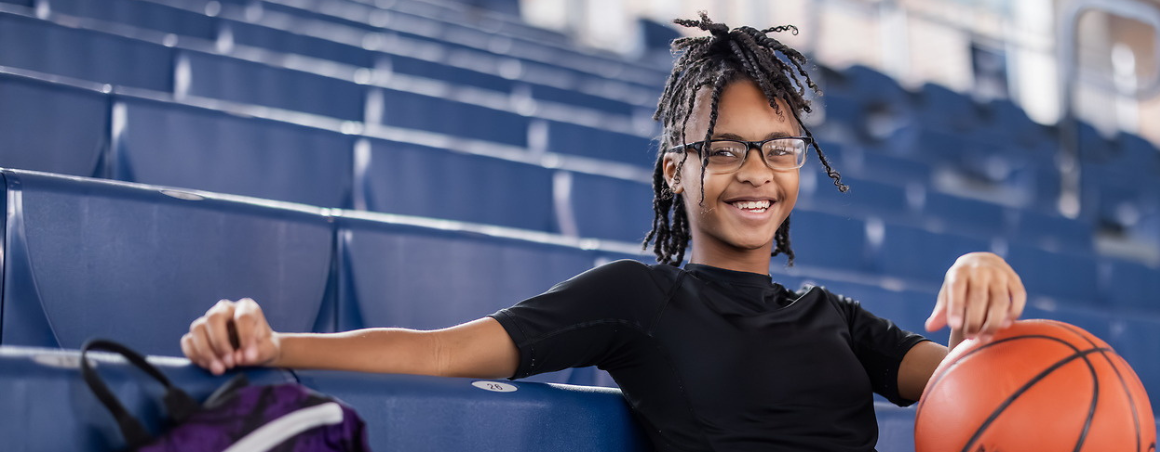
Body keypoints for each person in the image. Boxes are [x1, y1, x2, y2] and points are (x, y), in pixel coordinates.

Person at [180, 13, 1026, 452]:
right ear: (675, 171)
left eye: (778, 149)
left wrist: (984, 272)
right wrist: (273, 341)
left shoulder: (836, 320)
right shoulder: (638, 297)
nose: (755, 173)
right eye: (723, 151)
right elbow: (442, 352)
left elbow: (988, 389)